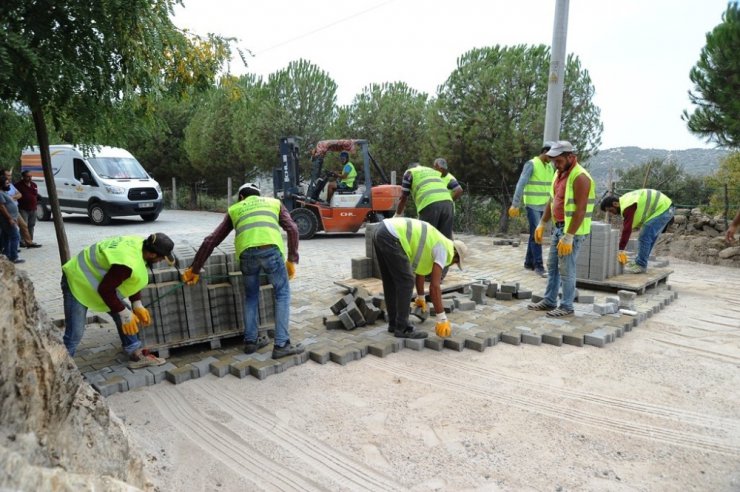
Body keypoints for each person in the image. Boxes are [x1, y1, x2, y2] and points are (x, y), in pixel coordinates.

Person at [182, 182, 304, 359]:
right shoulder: (273, 203)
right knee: (282, 294)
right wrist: (292, 259)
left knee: (251, 296)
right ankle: (282, 344)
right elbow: (292, 228)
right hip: (271, 251)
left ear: (241, 197)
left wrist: (195, 269)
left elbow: (211, 241)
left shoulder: (236, 209)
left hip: (246, 256)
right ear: (259, 195)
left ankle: (250, 342)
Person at [61, 233, 174, 368]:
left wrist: (136, 304)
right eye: (161, 258)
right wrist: (124, 313)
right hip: (77, 281)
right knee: (75, 333)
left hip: (96, 281)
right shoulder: (127, 262)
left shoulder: (140, 245)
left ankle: (135, 354)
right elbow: (106, 290)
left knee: (124, 312)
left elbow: (132, 278)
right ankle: (62, 371)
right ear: (152, 255)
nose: (160, 261)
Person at [527, 141, 595, 317]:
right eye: (553, 161)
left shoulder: (580, 177)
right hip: (558, 227)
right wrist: (542, 223)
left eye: (558, 161)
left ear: (570, 157)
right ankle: (549, 301)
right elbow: (553, 200)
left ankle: (566, 306)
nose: (555, 165)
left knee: (566, 268)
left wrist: (569, 235)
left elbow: (580, 209)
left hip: (572, 231)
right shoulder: (559, 175)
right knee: (553, 265)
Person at [373, 217, 468, 339]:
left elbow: (420, 272)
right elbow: (435, 286)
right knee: (406, 282)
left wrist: (421, 297)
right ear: (456, 256)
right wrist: (442, 318)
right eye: (455, 263)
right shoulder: (444, 249)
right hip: (393, 236)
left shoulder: (435, 242)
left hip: (381, 230)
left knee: (391, 281)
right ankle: (403, 328)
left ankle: (394, 323)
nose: (452, 264)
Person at [599, 189, 675, 274]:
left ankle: (641, 265)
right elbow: (627, 226)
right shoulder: (626, 201)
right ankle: (640, 262)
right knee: (648, 236)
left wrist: (621, 249)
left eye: (610, 210)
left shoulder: (627, 206)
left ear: (615, 204)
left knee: (644, 236)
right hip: (665, 208)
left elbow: (627, 230)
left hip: (664, 208)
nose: (612, 213)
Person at [508, 143, 554, 277]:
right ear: (544, 152)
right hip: (533, 205)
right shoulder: (531, 164)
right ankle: (538, 266)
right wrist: (515, 204)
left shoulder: (550, 167)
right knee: (537, 234)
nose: (552, 159)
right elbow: (521, 183)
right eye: (550, 156)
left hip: (544, 206)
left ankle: (529, 262)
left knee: (535, 233)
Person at [394, 163, 455, 240]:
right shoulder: (433, 171)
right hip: (448, 203)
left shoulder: (409, 172)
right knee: (445, 239)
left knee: (426, 238)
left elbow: (403, 197)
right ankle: (448, 252)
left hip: (430, 204)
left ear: (411, 168)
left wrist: (397, 215)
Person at [1, 169, 40, 248]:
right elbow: (2, 204)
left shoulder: (11, 185)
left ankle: (29, 242)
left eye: (10, 175)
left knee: (24, 225)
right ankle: (12, 249)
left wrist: (11, 197)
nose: (10, 177)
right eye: (8, 175)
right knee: (11, 231)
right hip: (10, 212)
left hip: (16, 211)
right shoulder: (4, 186)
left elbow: (19, 194)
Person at [0, 175, 23, 263]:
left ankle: (7, 255)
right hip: (7, 220)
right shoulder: (0, 193)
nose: (9, 185)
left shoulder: (4, 192)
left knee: (6, 237)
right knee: (16, 236)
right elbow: (2, 207)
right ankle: (14, 257)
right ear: (1, 184)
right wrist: (10, 218)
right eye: (6, 183)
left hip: (11, 218)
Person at [14, 170, 40, 246]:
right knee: (23, 225)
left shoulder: (34, 185)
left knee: (31, 225)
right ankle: (22, 241)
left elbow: (35, 195)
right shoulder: (18, 185)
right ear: (23, 177)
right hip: (23, 208)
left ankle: (30, 240)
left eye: (30, 176)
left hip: (33, 208)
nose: (30, 178)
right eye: (28, 176)